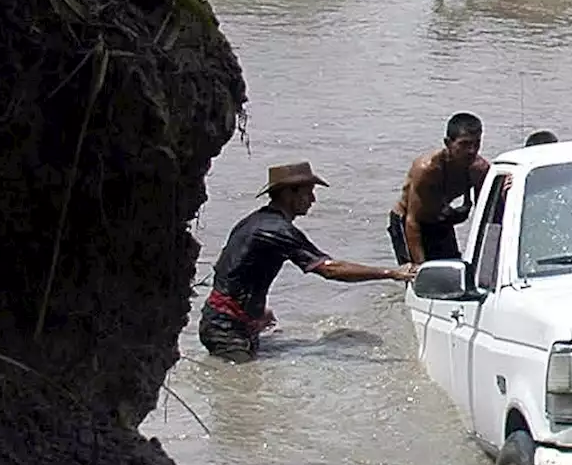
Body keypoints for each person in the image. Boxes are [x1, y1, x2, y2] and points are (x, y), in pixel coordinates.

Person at [199, 163, 415, 363]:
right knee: (243, 394)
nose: (313, 200)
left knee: (244, 382)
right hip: (227, 329)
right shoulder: (276, 230)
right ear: (287, 193)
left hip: (229, 321)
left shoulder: (254, 222)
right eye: (308, 192)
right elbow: (329, 269)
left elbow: (226, 268)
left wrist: (255, 311)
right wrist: (392, 273)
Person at [389, 113, 491, 265]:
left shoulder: (479, 170)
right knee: (415, 276)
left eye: (476, 144)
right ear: (448, 143)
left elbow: (485, 214)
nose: (471, 151)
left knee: (453, 270)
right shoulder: (428, 169)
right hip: (408, 221)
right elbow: (413, 221)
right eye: (464, 144)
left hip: (440, 218)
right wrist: (420, 267)